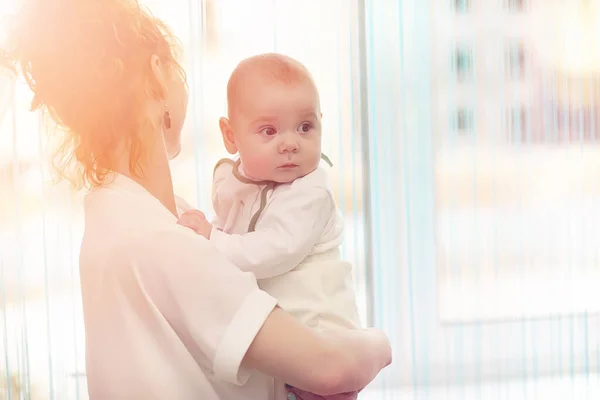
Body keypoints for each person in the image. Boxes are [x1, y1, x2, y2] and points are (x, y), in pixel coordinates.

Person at [0, 1, 391, 399]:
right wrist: (379, 343)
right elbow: (330, 368)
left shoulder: (131, 220)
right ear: (157, 72)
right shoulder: (162, 242)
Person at [177, 53, 362, 400]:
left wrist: (211, 239)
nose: (290, 143)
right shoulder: (241, 180)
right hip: (282, 346)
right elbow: (234, 229)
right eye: (269, 130)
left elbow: (272, 250)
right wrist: (206, 233)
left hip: (320, 339)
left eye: (305, 127)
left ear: (321, 123)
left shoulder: (311, 193)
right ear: (231, 136)